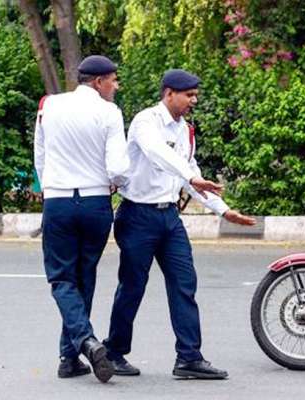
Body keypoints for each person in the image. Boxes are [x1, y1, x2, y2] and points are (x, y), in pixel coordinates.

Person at [102, 69, 256, 379]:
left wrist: (224, 211)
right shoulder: (147, 121)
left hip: (169, 219)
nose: (194, 100)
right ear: (169, 93)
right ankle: (114, 352)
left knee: (184, 284)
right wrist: (190, 176)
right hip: (137, 216)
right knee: (132, 286)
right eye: (189, 95)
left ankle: (189, 357)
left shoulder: (186, 130)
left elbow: (191, 173)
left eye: (195, 95)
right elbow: (159, 155)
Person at [34, 55, 129, 383]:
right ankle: (70, 355)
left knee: (61, 279)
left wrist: (50, 188)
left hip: (58, 200)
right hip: (94, 202)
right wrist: (119, 183)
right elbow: (117, 167)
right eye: (113, 80)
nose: (116, 86)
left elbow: (40, 155)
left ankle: (81, 345)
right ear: (99, 81)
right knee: (83, 275)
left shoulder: (49, 104)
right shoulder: (109, 112)